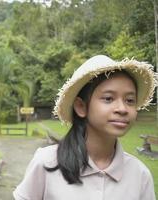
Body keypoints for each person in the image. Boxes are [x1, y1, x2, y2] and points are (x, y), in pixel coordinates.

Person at [13, 55, 157, 200]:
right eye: (108, 98)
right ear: (81, 106)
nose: (122, 108)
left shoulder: (140, 175)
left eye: (130, 100)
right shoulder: (46, 163)